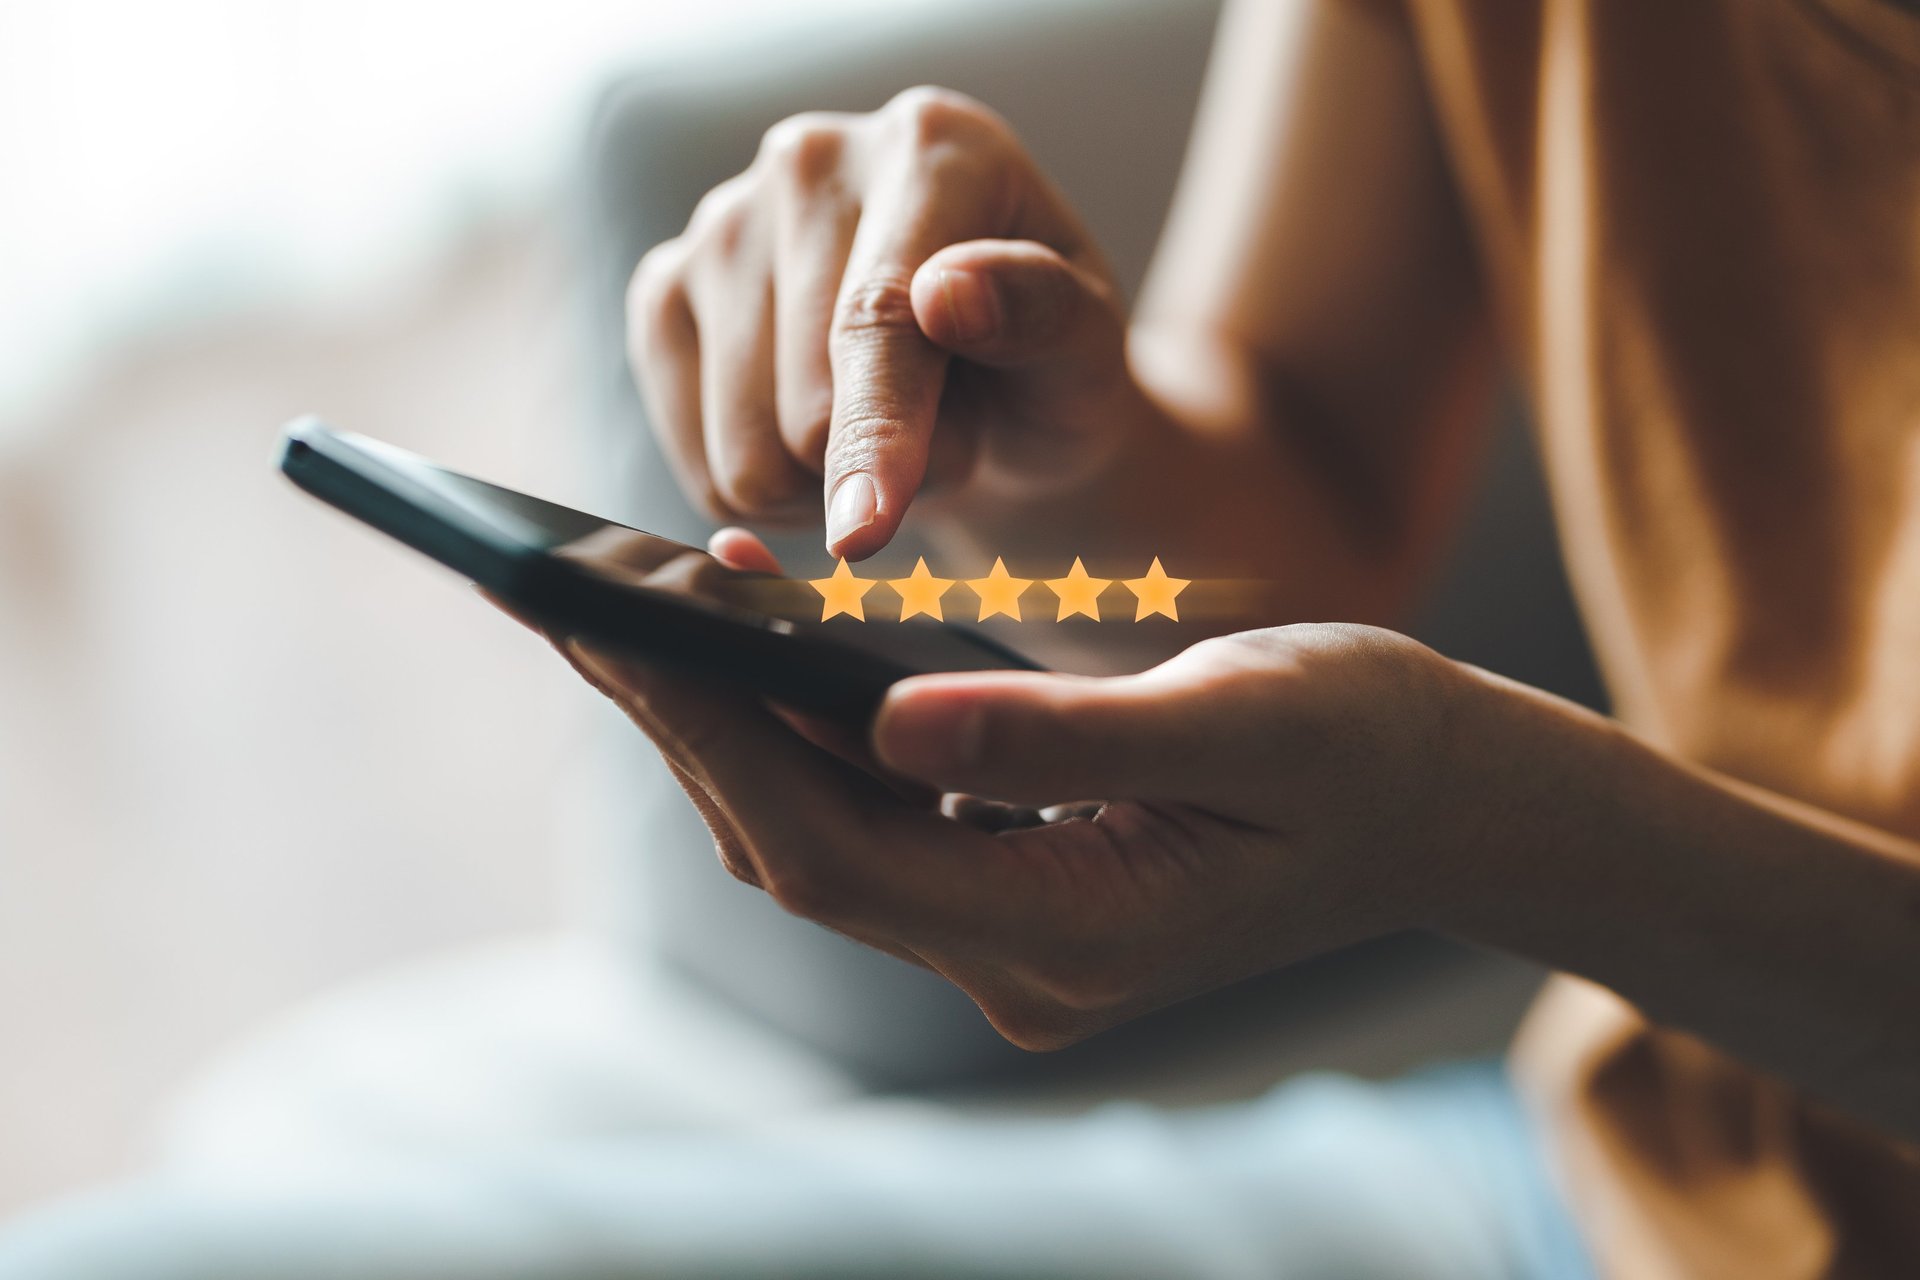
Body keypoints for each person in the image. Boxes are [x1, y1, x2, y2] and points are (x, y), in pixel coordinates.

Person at [2, 0, 1913, 1276]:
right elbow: (1303, 467)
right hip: (1629, 1186)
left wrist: (1518, 839)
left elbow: (1475, 801)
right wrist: (1046, 445)